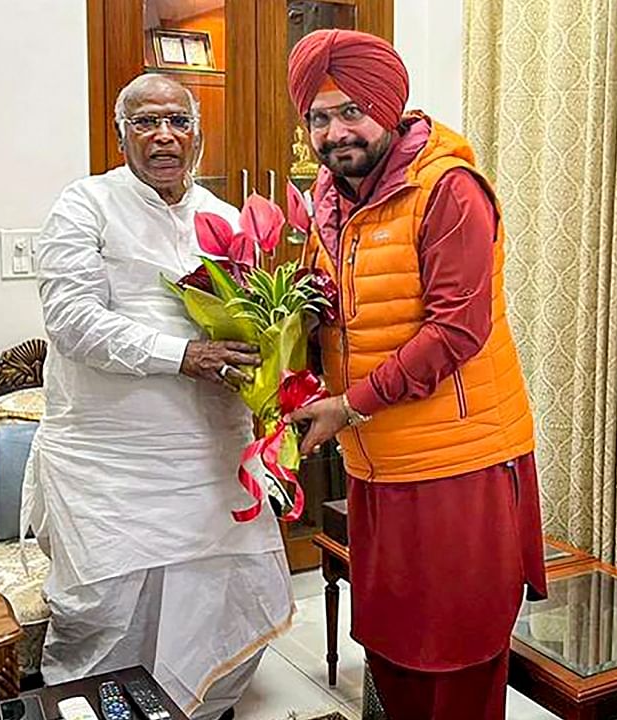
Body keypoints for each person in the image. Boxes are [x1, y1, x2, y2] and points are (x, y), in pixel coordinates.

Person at [283, 29, 547, 720]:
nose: (335, 131)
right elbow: (333, 309)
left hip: (457, 465)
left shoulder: (449, 190)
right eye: (318, 116)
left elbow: (456, 331)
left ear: (390, 108)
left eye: (351, 111)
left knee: (455, 660)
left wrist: (349, 404)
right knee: (394, 650)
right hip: (377, 464)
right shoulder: (328, 200)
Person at [30, 73, 292, 720]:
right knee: (107, 621)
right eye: (146, 123)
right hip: (110, 470)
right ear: (121, 135)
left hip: (210, 463)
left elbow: (253, 327)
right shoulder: (84, 205)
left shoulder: (226, 219)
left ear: (198, 133)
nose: (164, 136)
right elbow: (72, 321)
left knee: (222, 603)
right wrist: (183, 355)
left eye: (177, 121)